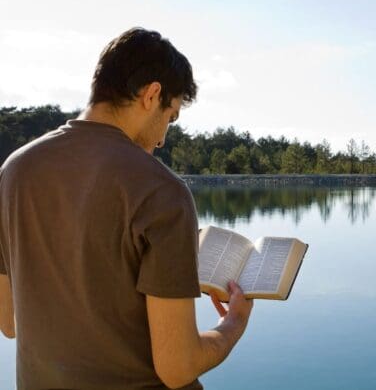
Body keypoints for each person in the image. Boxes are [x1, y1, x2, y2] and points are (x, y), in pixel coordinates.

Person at [0, 27, 254, 389]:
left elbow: (9, 321)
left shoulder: (13, 171)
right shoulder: (160, 189)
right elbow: (178, 366)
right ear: (152, 95)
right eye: (171, 116)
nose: (164, 138)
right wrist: (234, 325)